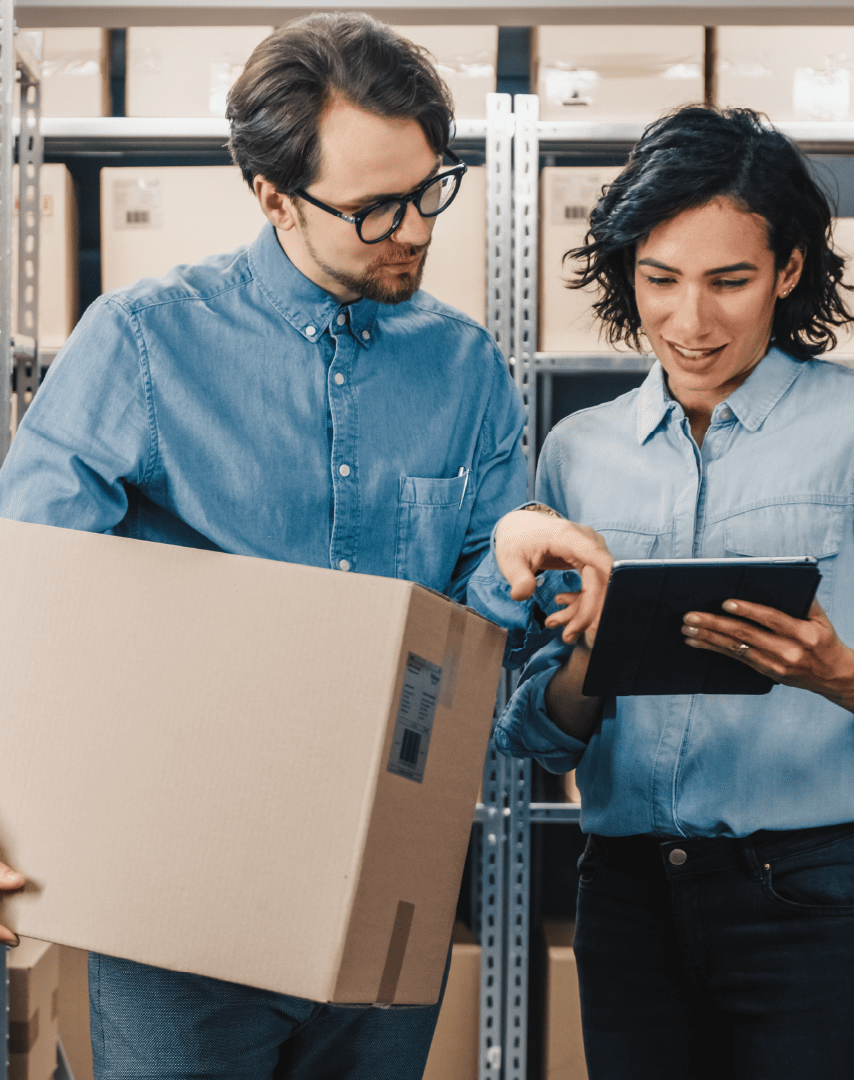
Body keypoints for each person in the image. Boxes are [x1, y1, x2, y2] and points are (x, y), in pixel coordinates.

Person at [0, 14, 607, 1080]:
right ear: (271, 193)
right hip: (179, 898)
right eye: (374, 209)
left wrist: (508, 553)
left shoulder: (465, 370)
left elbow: (468, 643)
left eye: (430, 189)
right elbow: (25, 601)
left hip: (386, 888)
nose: (415, 230)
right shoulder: (142, 344)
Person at [468, 105, 854, 1079]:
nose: (691, 321)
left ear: (788, 271)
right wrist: (593, 662)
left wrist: (839, 674)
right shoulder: (576, 453)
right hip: (628, 894)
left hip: (815, 891)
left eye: (729, 281)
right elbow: (542, 734)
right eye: (660, 280)